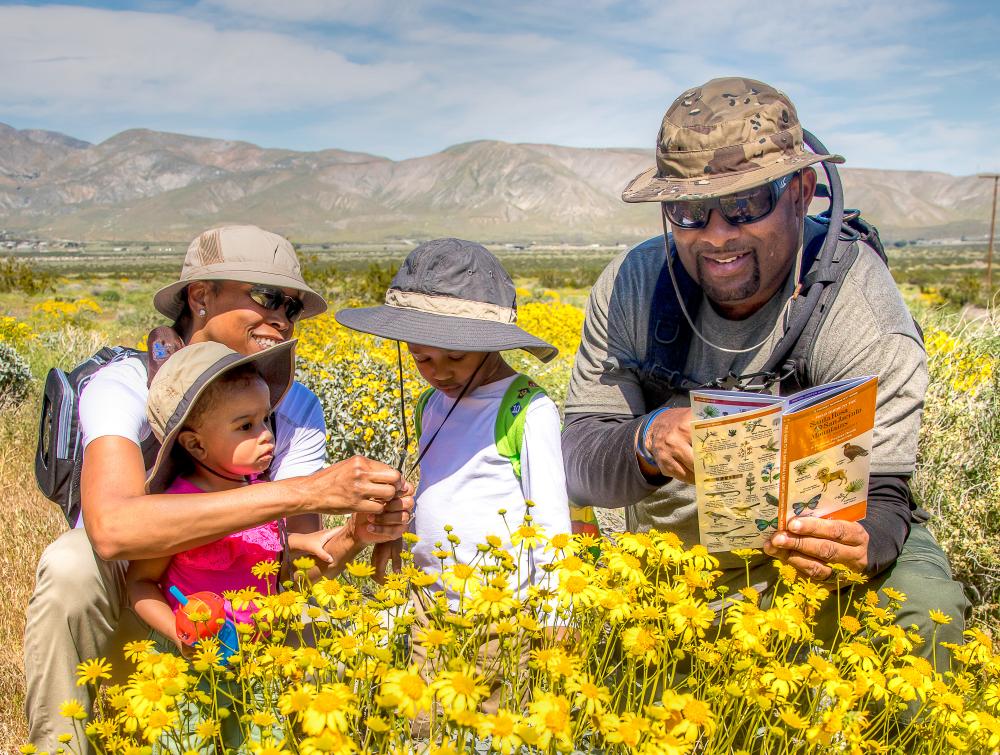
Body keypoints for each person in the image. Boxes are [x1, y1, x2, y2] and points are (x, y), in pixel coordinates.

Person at [561, 77, 968, 657]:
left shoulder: (860, 310)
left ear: (802, 191)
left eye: (746, 204)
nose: (718, 235)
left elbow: (884, 493)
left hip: (814, 567)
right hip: (681, 565)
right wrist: (646, 442)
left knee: (927, 617)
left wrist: (859, 544)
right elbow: (579, 458)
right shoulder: (633, 287)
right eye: (689, 211)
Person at [24, 225, 413, 750]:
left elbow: (295, 570)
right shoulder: (126, 384)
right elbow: (113, 530)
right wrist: (304, 491)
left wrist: (355, 533)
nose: (282, 317)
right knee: (72, 562)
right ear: (200, 296)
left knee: (317, 616)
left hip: (244, 626)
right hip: (142, 609)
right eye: (267, 297)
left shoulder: (296, 407)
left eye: (293, 307)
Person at [336, 237, 573, 712]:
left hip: (499, 616)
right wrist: (392, 551)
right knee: (426, 728)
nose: (437, 371)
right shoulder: (431, 403)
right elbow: (431, 492)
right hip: (429, 606)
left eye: (455, 358)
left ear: (490, 345)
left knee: (490, 730)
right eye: (421, 358)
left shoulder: (527, 408)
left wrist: (555, 615)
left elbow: (551, 522)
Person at [127, 340, 351, 655]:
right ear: (196, 445)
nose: (267, 435)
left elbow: (256, 547)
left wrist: (301, 543)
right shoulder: (176, 507)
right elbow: (140, 584)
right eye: (246, 426)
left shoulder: (260, 491)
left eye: (265, 420)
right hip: (195, 661)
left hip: (262, 656)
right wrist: (178, 634)